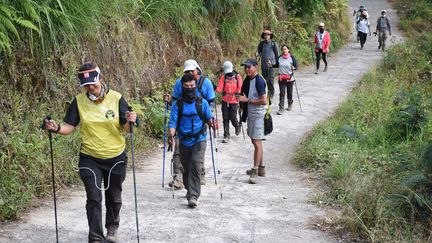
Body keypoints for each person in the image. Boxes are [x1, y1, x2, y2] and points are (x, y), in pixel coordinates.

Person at [44, 62, 137, 243]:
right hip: (89, 158)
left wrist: (131, 120)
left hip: (116, 157)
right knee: (93, 197)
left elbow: (126, 128)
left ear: (100, 79)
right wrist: (55, 128)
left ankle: (112, 227)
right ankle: (95, 237)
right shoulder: (78, 102)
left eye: (93, 84)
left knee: (114, 195)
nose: (91, 88)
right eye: (86, 86)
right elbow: (69, 127)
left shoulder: (117, 98)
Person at [163, 59, 215, 189]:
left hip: (200, 120)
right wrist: (169, 102)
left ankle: (199, 173)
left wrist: (210, 118)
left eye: (192, 70)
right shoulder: (180, 83)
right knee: (178, 150)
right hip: (182, 122)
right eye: (187, 71)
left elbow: (212, 102)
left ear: (197, 69)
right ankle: (178, 177)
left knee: (197, 151)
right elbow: (175, 102)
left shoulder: (206, 83)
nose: (190, 73)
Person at [237, 58, 267, 184]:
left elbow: (264, 101)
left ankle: (255, 170)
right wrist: (241, 103)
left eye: (249, 67)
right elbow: (243, 94)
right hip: (251, 113)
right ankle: (261, 169)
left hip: (258, 115)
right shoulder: (248, 79)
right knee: (255, 141)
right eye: (245, 67)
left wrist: (247, 100)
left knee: (256, 142)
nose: (246, 69)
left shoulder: (259, 81)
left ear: (256, 67)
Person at [215, 61, 243, 143]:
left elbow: (240, 87)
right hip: (225, 100)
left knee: (233, 117)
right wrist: (216, 89)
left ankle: (237, 126)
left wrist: (238, 93)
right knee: (225, 118)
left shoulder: (237, 77)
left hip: (234, 101)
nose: (229, 73)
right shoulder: (223, 77)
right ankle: (226, 135)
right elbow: (220, 88)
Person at [273, 45, 298, 114]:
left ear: (288, 50)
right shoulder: (280, 58)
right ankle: (281, 108)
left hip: (290, 78)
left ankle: (290, 104)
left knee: (289, 93)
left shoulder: (292, 58)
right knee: (282, 93)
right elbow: (277, 65)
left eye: (285, 49)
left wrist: (294, 68)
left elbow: (296, 66)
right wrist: (271, 65)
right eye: (282, 49)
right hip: (281, 78)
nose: (284, 51)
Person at [257, 28, 278, 100]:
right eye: (265, 35)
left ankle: (271, 94)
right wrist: (257, 55)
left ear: (270, 36)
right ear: (263, 36)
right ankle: (265, 93)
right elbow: (258, 53)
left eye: (268, 35)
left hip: (271, 66)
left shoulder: (273, 43)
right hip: (263, 65)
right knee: (264, 80)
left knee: (271, 80)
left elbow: (276, 55)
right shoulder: (261, 44)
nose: (266, 36)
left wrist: (276, 64)